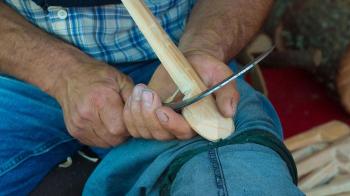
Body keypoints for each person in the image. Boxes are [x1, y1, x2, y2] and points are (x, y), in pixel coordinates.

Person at [0, 0, 303, 195]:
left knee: (240, 178)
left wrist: (202, 48)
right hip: (23, 66)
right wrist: (60, 72)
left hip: (177, 61)